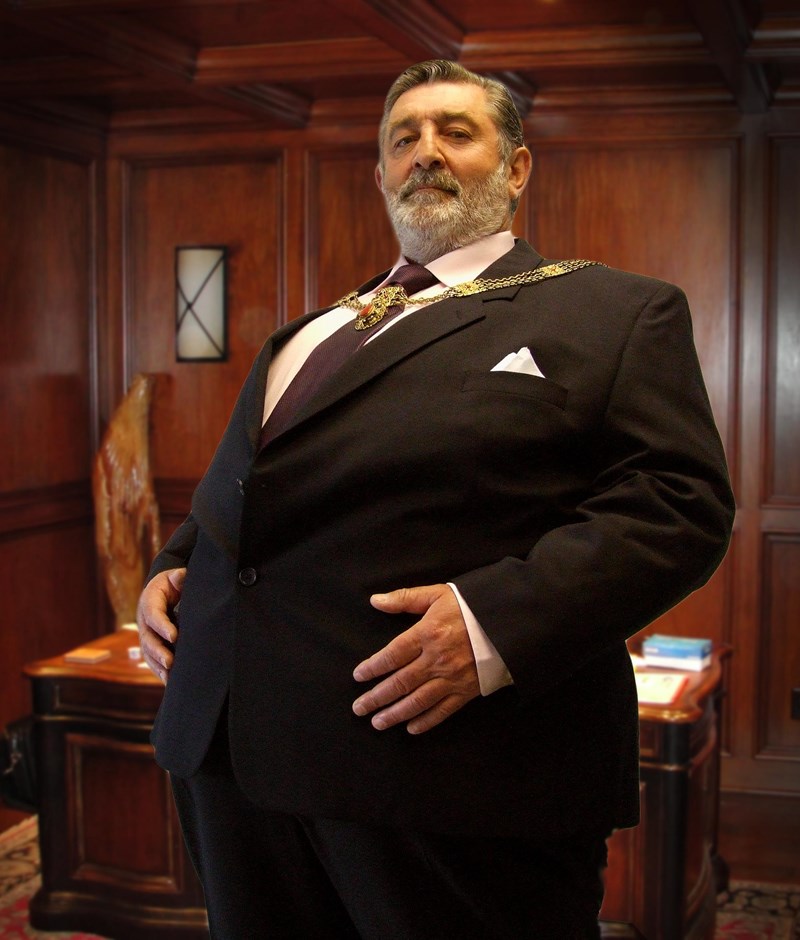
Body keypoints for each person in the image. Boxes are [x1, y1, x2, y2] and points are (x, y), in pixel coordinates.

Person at [137, 59, 735, 939]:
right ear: (380, 175)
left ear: (517, 168)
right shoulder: (308, 332)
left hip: (451, 775)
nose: (426, 153)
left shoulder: (614, 312)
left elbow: (679, 505)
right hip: (231, 754)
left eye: (456, 132)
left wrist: (493, 624)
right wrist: (176, 562)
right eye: (403, 139)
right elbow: (245, 491)